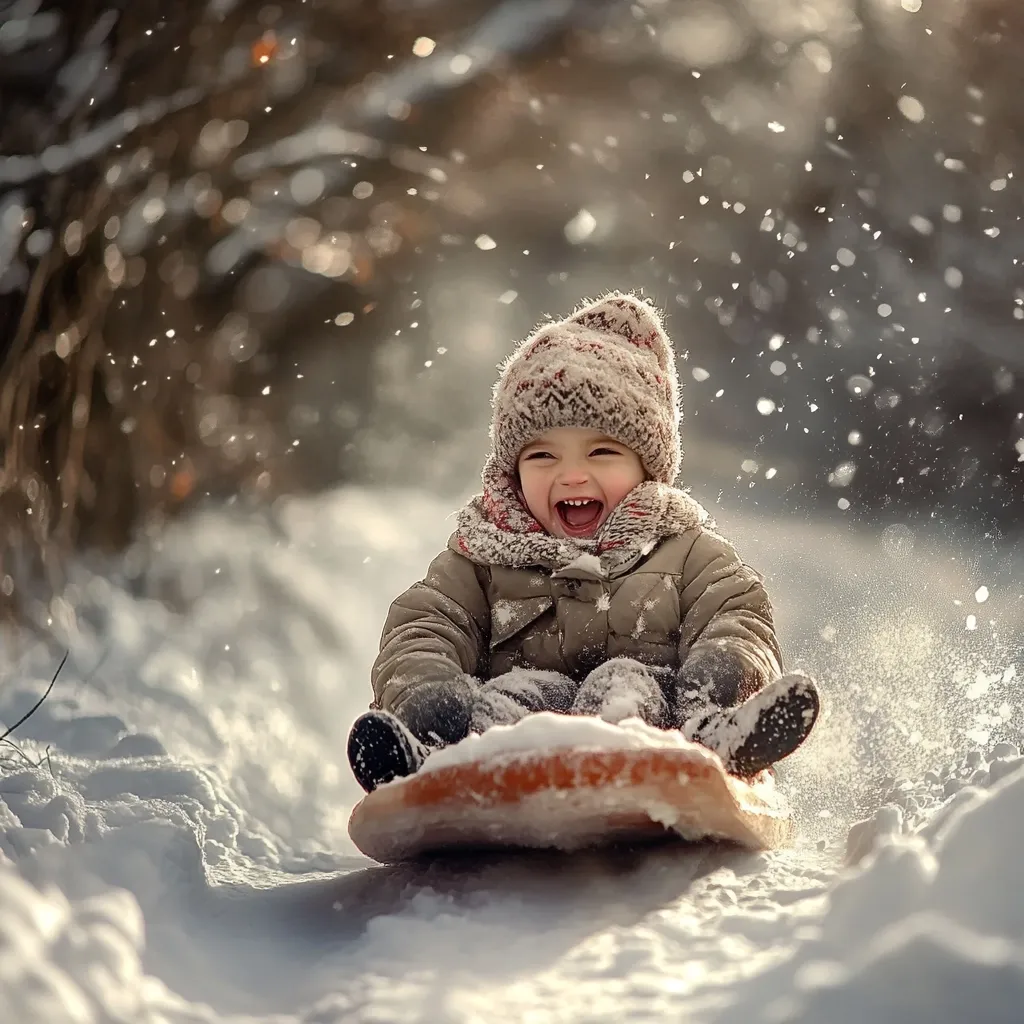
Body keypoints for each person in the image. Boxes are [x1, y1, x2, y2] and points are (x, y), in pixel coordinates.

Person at [348, 292, 819, 792]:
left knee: (624, 685)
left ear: (647, 467)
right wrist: (428, 701)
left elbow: (737, 617)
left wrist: (720, 682)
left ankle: (717, 743)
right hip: (514, 749)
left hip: (654, 738)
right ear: (511, 472)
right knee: (508, 699)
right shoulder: (482, 558)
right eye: (543, 457)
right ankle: (435, 763)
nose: (572, 475)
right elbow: (425, 625)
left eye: (600, 451)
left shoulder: (686, 551)